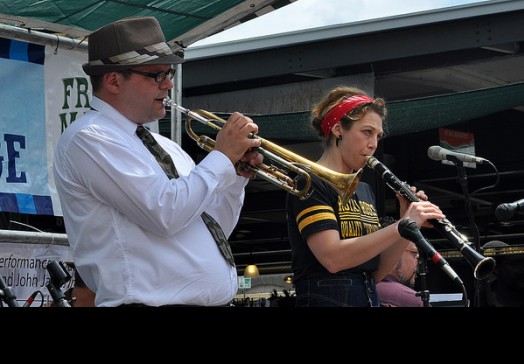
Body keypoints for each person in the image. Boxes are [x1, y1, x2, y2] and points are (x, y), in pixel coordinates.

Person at [53, 16, 263, 307]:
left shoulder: (168, 146)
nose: (169, 84)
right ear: (114, 80)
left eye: (169, 73)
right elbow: (165, 213)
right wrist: (221, 157)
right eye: (156, 75)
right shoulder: (90, 137)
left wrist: (235, 177)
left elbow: (213, 229)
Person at [285, 86, 445, 307]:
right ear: (338, 129)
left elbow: (378, 272)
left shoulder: (364, 190)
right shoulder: (309, 181)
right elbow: (333, 258)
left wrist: (406, 225)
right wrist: (402, 225)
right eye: (367, 132)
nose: (374, 144)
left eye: (378, 136)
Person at [375, 241, 424, 307]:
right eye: (414, 254)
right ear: (395, 254)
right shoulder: (413, 300)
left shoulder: (363, 289)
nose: (417, 263)